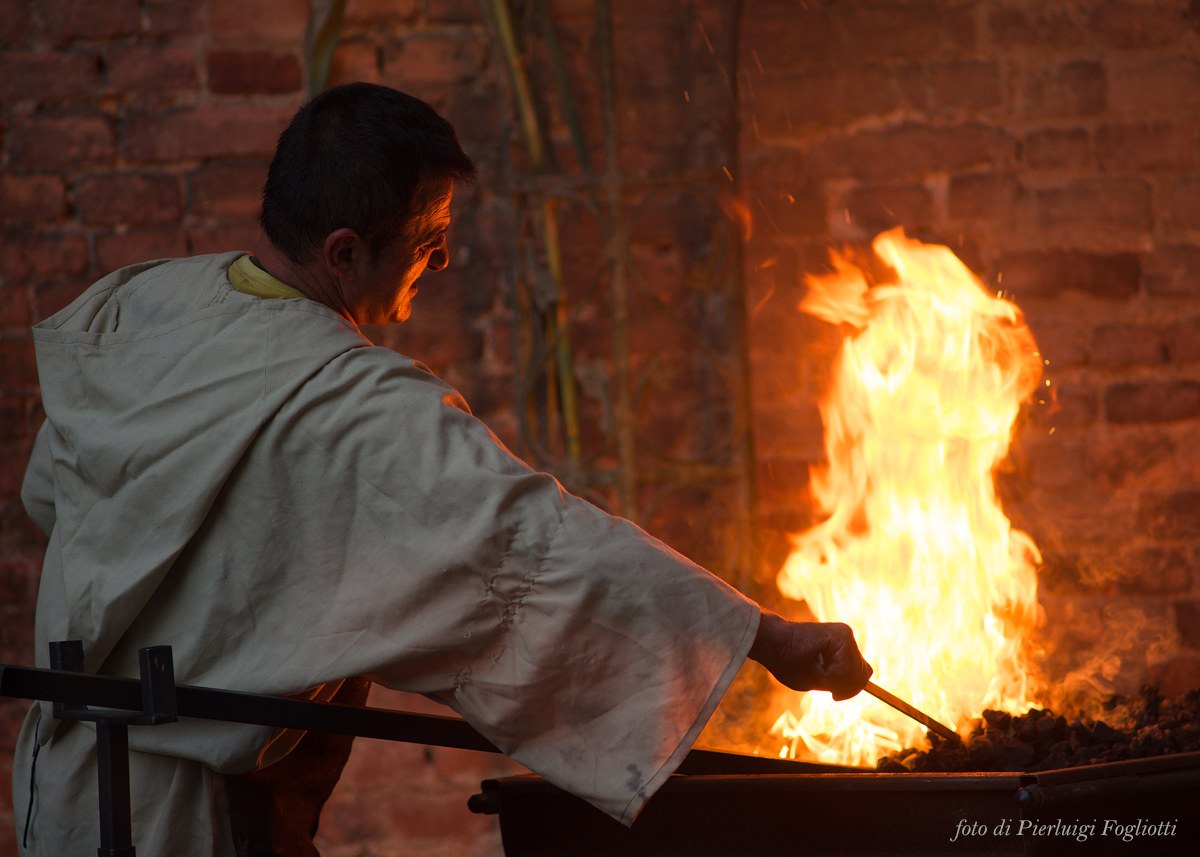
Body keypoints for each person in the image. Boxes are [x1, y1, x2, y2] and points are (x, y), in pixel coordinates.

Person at [13, 83, 871, 856]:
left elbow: (51, 492)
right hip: (182, 824)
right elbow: (541, 547)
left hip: (69, 781)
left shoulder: (139, 306)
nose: (444, 264)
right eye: (429, 242)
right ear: (344, 252)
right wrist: (767, 636)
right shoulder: (357, 409)